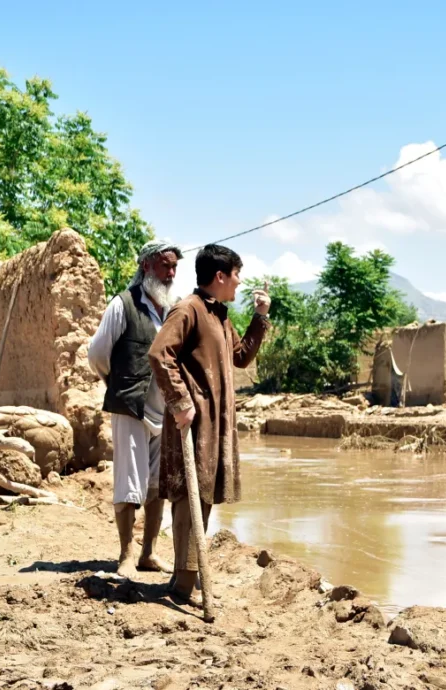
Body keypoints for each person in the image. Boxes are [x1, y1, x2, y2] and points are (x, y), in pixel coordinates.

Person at [148, 244, 271, 605]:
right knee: (191, 496)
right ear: (220, 276)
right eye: (236, 275)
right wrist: (181, 402)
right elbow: (159, 354)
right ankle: (184, 585)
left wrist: (260, 316)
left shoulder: (218, 314)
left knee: (202, 496)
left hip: (214, 424)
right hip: (194, 423)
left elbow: (241, 357)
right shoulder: (188, 309)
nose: (239, 282)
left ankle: (186, 578)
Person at [88, 239, 183, 578]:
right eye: (164, 265)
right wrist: (117, 384)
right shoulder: (123, 304)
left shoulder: (174, 308)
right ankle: (126, 554)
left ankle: (149, 553)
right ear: (146, 266)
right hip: (130, 406)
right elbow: (97, 353)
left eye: (174, 267)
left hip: (165, 411)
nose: (170, 273)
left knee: (157, 482)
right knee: (129, 481)